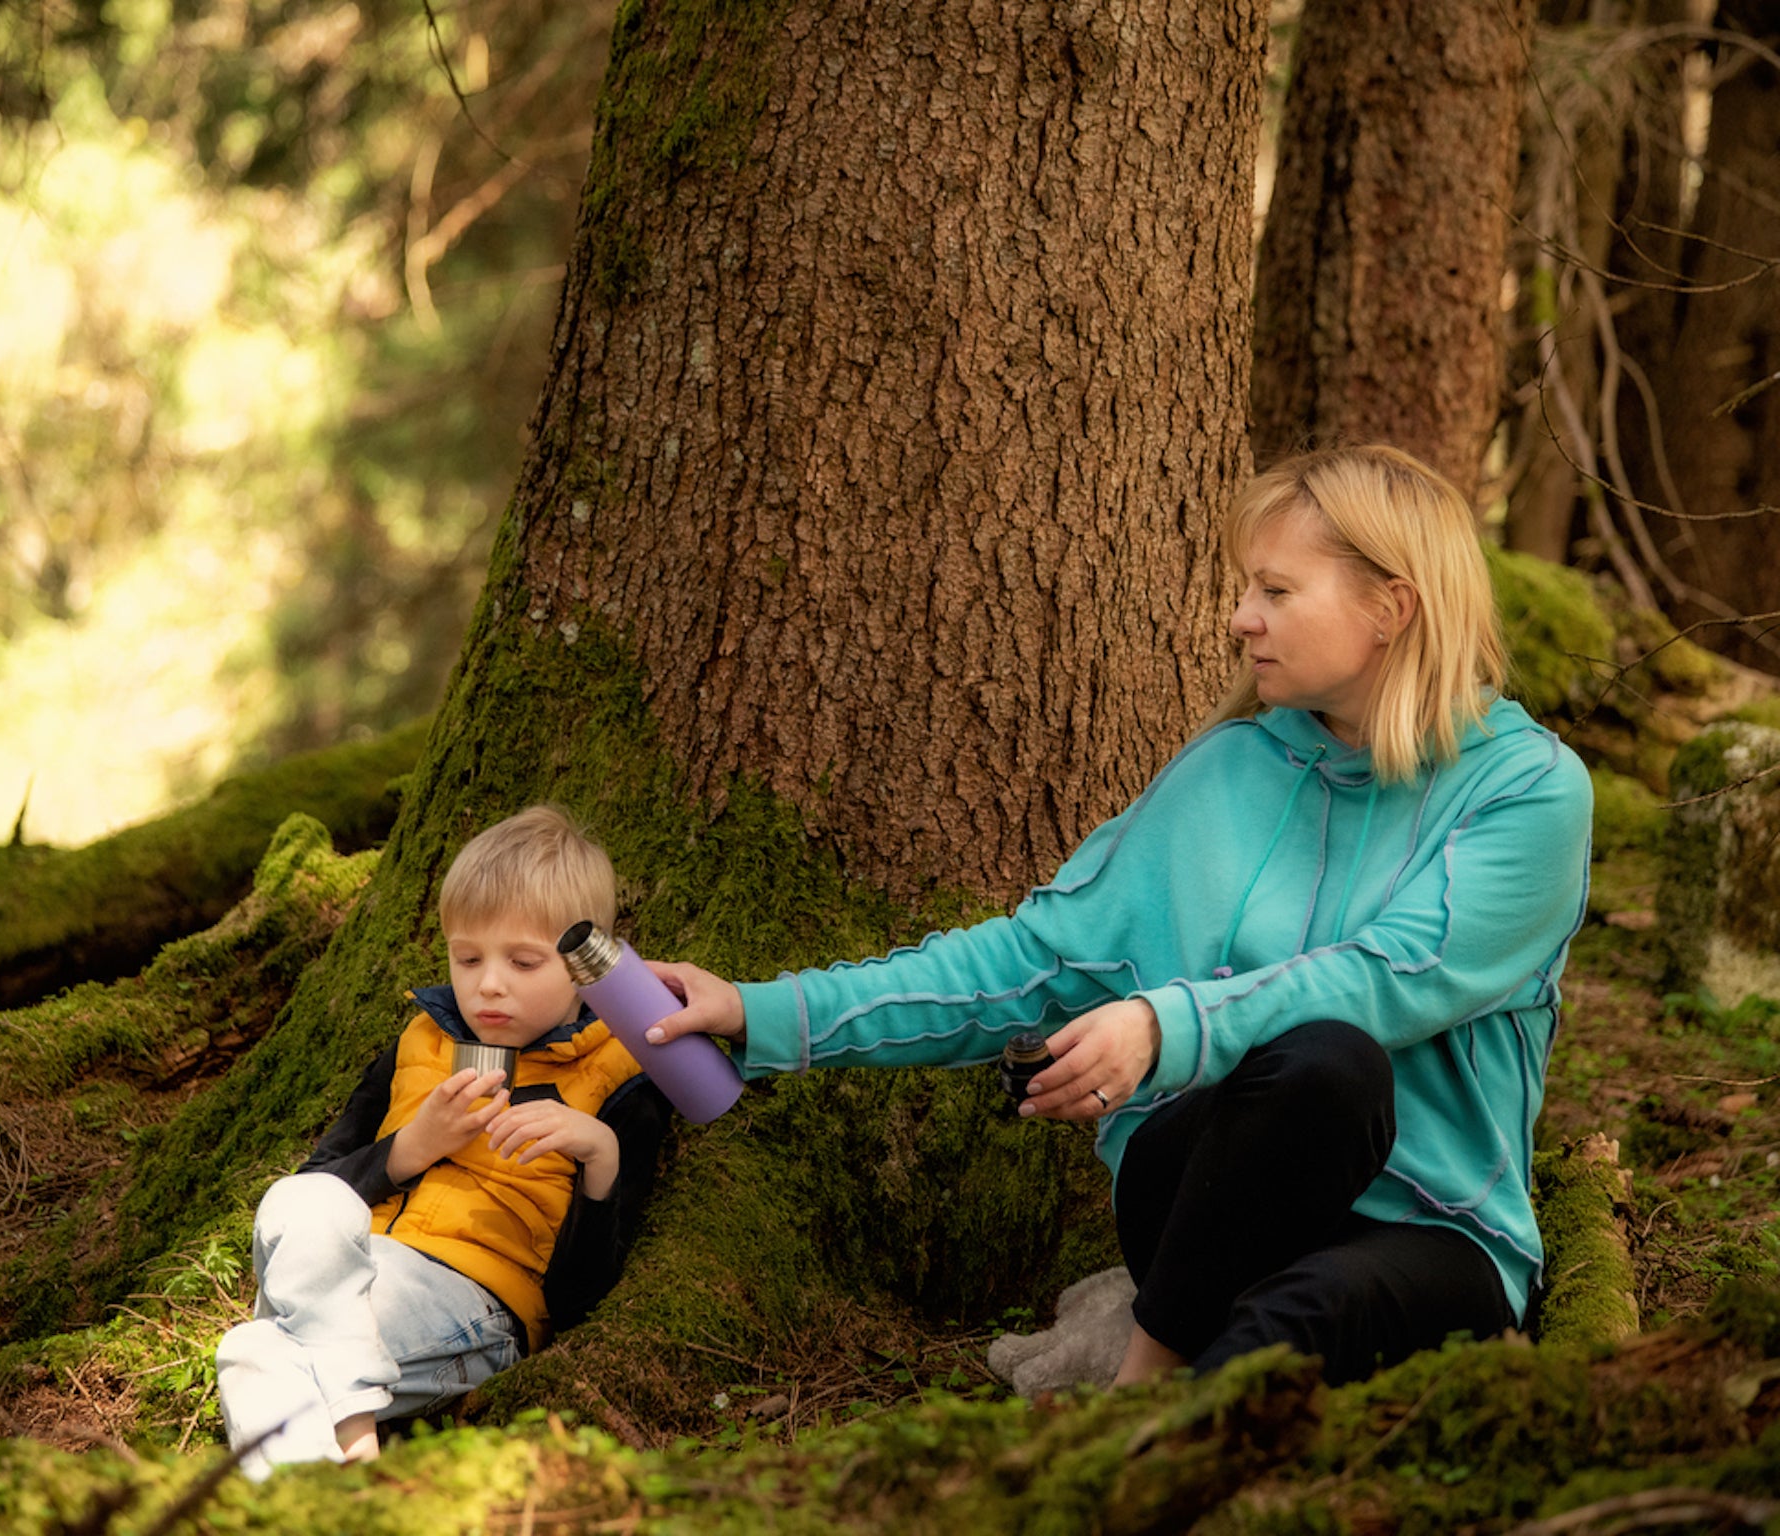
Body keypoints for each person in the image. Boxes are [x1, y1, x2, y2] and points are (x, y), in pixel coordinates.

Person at [647, 444, 1592, 1388]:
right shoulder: (1228, 771)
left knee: (1301, 1298)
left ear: (1391, 608)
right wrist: (762, 1011)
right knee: (1324, 1068)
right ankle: (1146, 1372)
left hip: (1433, 1226)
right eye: (1247, 588)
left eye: (1275, 590)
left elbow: (1391, 977)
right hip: (1202, 1209)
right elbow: (1028, 964)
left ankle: (1139, 1427)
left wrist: (1160, 1026)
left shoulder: (1529, 792)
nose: (1241, 617)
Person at [216, 806, 668, 1478]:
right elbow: (318, 1189)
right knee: (288, 1223)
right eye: (467, 957)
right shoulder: (420, 1042)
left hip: (475, 1306)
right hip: (346, 1277)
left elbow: (582, 1298)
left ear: (583, 965)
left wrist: (600, 1153)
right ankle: (350, 1459)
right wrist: (413, 1147)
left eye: (523, 961)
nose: (489, 983)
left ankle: (339, 1457)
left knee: (255, 1352)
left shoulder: (614, 1076)